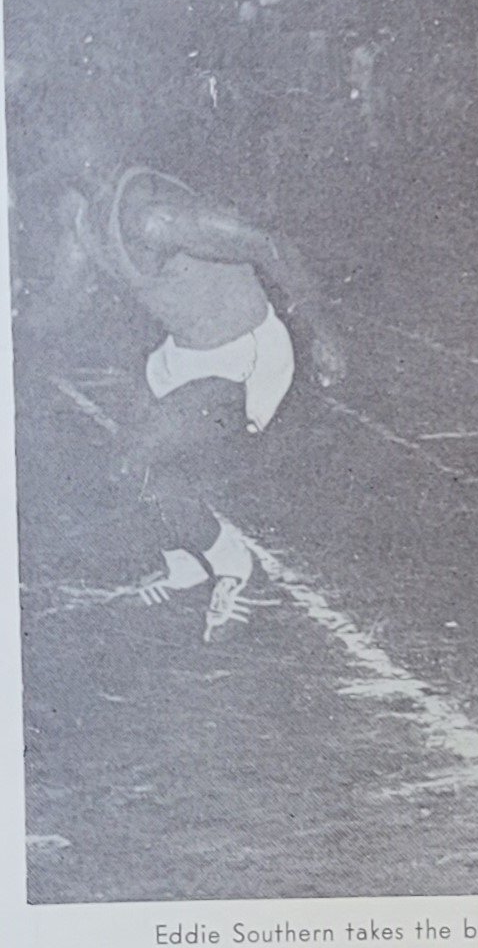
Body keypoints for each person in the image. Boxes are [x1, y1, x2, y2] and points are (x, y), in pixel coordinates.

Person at [56, 142, 345, 641]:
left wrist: (324, 333)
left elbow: (268, 244)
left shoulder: (155, 215)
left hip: (245, 356)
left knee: (136, 459)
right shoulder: (81, 216)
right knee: (138, 473)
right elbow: (55, 307)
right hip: (180, 357)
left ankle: (237, 565)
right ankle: (187, 564)